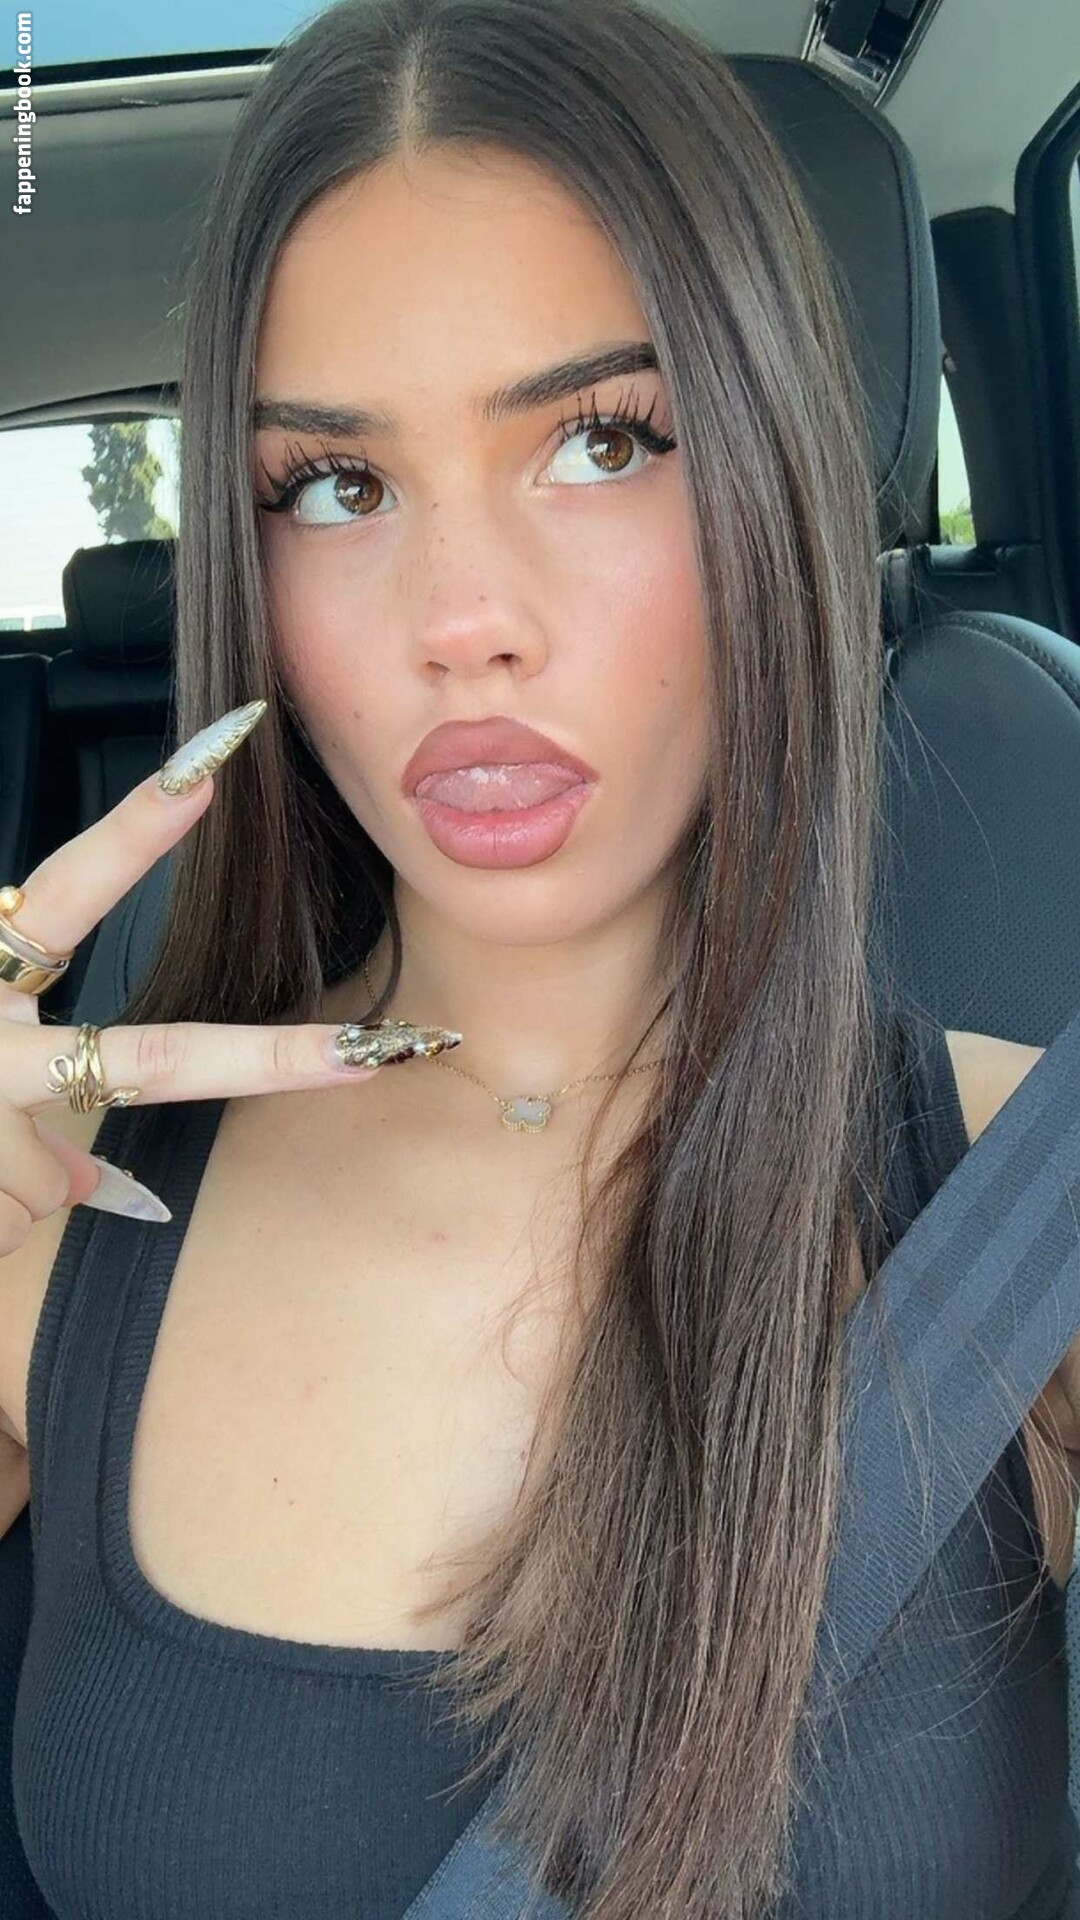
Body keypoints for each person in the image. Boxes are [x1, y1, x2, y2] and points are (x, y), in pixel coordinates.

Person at [0, 1, 1076, 1915]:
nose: (462, 618)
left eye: (601, 441)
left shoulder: (1023, 1198)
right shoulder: (50, 1220)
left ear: (774, 479)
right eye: (336, 486)